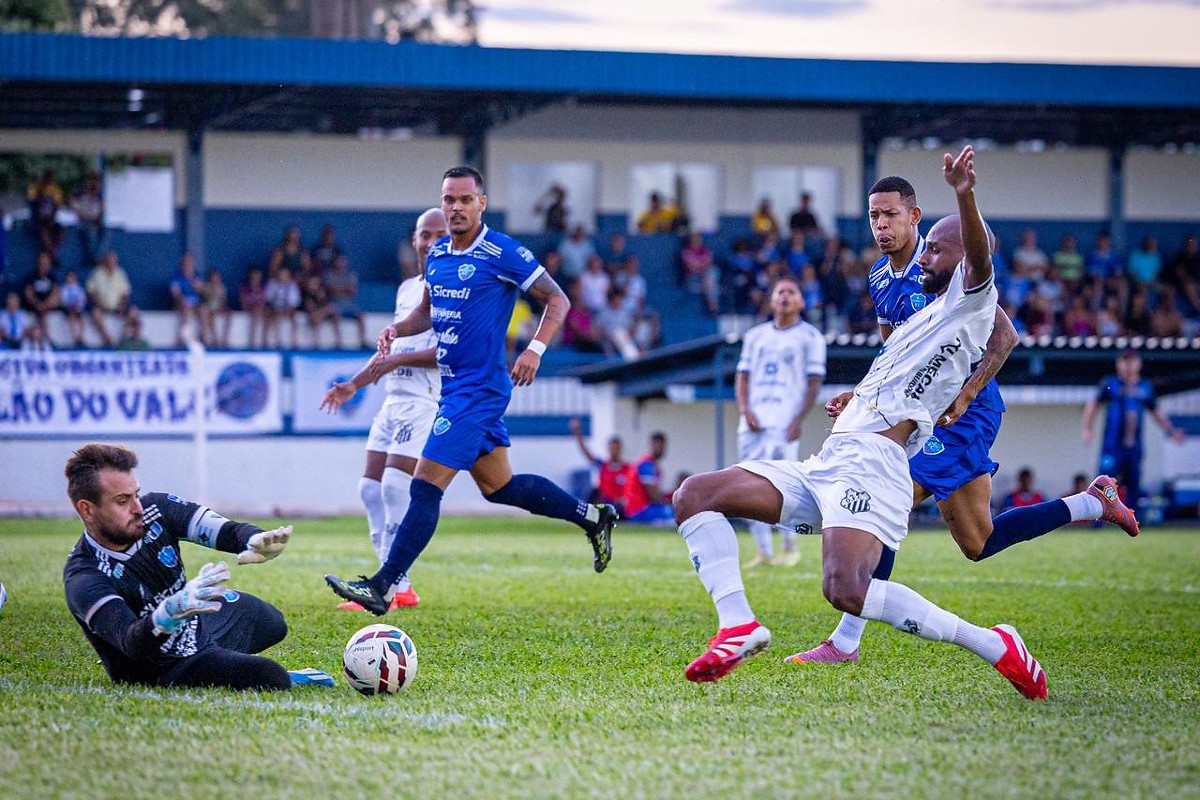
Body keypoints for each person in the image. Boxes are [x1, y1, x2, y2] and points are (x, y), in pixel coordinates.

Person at [670, 146, 1050, 699]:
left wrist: (963, 196)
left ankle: (995, 645)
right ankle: (737, 625)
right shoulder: (900, 299)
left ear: (962, 257)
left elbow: (980, 264)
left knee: (846, 589)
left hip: (876, 465)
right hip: (832, 458)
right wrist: (860, 395)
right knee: (694, 494)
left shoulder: (968, 305)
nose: (924, 258)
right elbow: (894, 361)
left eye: (937, 250)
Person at [788, 171, 1139, 668]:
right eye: (873, 216)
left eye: (890, 215)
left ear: (914, 217)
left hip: (963, 415)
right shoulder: (878, 278)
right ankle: (1090, 502)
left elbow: (1006, 337)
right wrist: (863, 395)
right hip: (921, 413)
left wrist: (967, 391)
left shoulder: (944, 267)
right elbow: (895, 351)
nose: (881, 225)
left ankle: (845, 642)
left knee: (888, 494)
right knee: (979, 541)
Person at [324, 166, 618, 614]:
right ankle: (594, 517)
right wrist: (396, 329)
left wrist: (535, 349)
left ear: (482, 202)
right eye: (449, 200)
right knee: (500, 487)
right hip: (454, 388)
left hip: (478, 392)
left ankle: (384, 587)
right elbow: (427, 313)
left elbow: (558, 300)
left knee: (423, 486)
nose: (456, 207)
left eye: (465, 200)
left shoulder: (503, 251)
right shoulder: (439, 254)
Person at [61, 443, 331, 690]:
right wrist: (170, 612)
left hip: (192, 629)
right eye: (123, 501)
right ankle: (228, 664)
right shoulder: (84, 576)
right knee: (271, 676)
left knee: (270, 620)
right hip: (161, 668)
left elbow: (226, 530)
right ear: (87, 510)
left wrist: (253, 539)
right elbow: (131, 643)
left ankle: (219, 655)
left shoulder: (157, 509)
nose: (137, 508)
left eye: (136, 495)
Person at [319, 209, 449, 612]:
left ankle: (392, 585)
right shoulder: (408, 289)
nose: (430, 242)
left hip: (424, 399)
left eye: (438, 234)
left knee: (395, 487)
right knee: (370, 489)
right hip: (393, 398)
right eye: (423, 235)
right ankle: (394, 583)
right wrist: (355, 384)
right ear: (413, 241)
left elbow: (451, 354)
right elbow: (392, 349)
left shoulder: (456, 288)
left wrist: (394, 362)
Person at [735, 275, 826, 567]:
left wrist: (798, 418)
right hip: (753, 422)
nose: (785, 296)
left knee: (783, 485)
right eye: (780, 292)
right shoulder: (755, 336)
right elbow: (743, 375)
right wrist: (744, 409)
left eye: (791, 292)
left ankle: (790, 546)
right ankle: (763, 551)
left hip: (784, 421)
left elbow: (814, 383)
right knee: (747, 482)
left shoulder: (810, 337)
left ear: (800, 300)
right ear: (772, 300)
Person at [1083, 349, 1185, 509]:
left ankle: (1133, 522)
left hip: (1134, 447)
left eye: (1131, 362)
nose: (1128, 366)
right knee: (1104, 482)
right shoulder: (1110, 384)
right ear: (1118, 365)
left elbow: (1156, 411)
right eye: (1124, 362)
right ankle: (1098, 521)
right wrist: (1087, 428)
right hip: (1112, 446)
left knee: (1134, 485)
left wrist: (1171, 431)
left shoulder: (1145, 387)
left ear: (1138, 364)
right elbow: (1093, 404)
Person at [569, 417, 630, 510]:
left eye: (615, 448)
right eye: (611, 448)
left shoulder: (628, 469)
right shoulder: (603, 465)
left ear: (620, 449)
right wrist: (577, 432)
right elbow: (586, 452)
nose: (613, 451)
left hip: (620, 505)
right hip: (604, 504)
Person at [622, 431, 674, 525]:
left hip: (639, 509)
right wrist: (668, 502)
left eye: (662, 446)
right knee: (675, 514)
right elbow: (653, 495)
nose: (660, 448)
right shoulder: (647, 464)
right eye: (657, 445)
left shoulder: (651, 464)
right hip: (639, 510)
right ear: (651, 445)